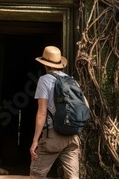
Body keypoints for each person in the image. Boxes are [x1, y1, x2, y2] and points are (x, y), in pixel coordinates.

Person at [30, 46, 82, 179]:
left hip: (53, 135)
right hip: (72, 136)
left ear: (45, 65)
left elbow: (41, 113)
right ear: (60, 64)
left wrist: (35, 141)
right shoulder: (72, 81)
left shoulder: (44, 80)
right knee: (73, 177)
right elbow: (84, 106)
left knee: (36, 175)